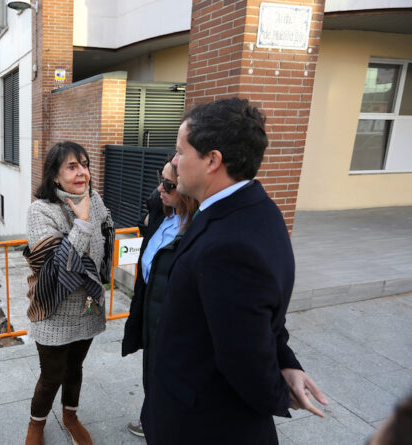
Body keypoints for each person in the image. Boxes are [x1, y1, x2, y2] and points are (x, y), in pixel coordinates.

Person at [144, 98, 327, 444]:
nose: (174, 162)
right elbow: (260, 313)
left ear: (212, 160)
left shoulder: (229, 244)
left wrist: (278, 387)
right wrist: (287, 361)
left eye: (181, 151)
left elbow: (245, 356)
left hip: (202, 424)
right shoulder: (254, 206)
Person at [23, 142, 114, 445]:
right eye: (72, 166)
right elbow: (58, 269)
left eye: (85, 165)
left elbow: (101, 254)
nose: (82, 172)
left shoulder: (96, 201)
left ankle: (70, 416)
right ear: (55, 177)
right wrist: (83, 222)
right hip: (53, 310)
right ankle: (36, 424)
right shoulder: (40, 211)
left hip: (87, 304)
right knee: (51, 376)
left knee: (75, 367)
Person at [121, 161, 198, 437]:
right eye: (160, 179)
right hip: (150, 316)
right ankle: (150, 416)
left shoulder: (196, 229)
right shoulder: (162, 213)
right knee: (151, 373)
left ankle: (158, 423)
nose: (160, 188)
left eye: (168, 184)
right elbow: (154, 200)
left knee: (166, 377)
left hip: (173, 322)